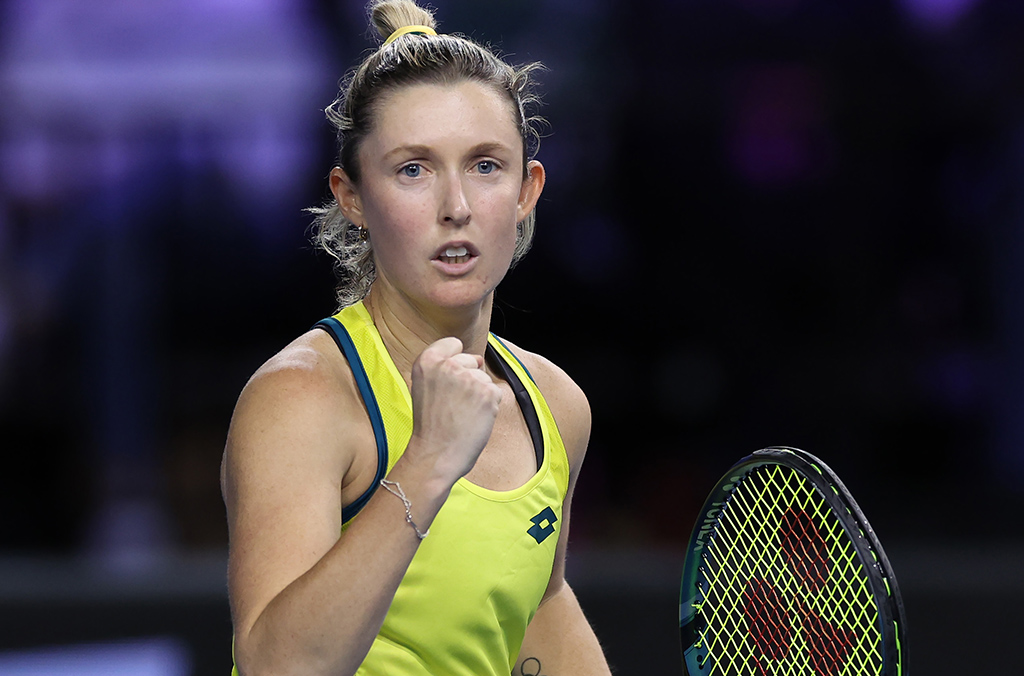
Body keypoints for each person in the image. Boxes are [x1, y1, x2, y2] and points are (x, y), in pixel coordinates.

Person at [221, 1, 612, 674]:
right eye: (414, 169)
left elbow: (538, 607)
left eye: (486, 166)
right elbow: (278, 666)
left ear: (527, 191)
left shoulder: (558, 406)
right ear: (351, 196)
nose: (455, 206)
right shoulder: (299, 400)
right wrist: (430, 459)